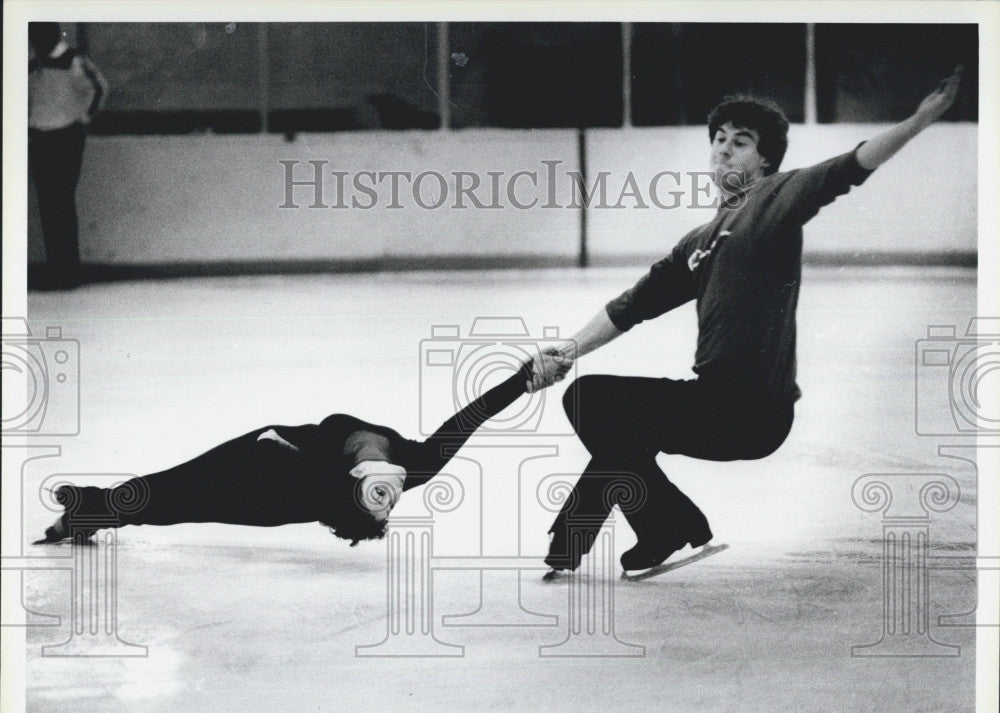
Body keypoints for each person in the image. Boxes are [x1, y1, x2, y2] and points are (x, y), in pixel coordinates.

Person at [529, 67, 965, 576]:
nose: (724, 150)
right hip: (712, 400)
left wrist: (917, 121)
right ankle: (597, 536)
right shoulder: (699, 240)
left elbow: (849, 167)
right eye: (718, 140)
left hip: (754, 411)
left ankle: (663, 524)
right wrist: (567, 351)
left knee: (599, 405)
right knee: (607, 413)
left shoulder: (776, 199)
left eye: (740, 142)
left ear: (765, 160)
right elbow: (630, 306)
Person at [35, 362, 533, 545]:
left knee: (173, 500)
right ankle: (89, 508)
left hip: (267, 479)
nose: (390, 495)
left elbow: (337, 427)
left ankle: (89, 510)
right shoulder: (417, 466)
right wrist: (525, 377)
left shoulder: (321, 474)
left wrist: (294, 451)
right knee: (170, 485)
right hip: (269, 452)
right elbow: (470, 418)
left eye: (373, 497)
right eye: (390, 499)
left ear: (351, 484)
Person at [28, 22, 108, 290]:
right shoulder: (33, 62)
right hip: (39, 136)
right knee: (49, 204)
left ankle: (67, 271)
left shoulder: (73, 59)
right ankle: (58, 269)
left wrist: (82, 120)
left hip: (65, 138)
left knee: (60, 202)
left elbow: (98, 88)